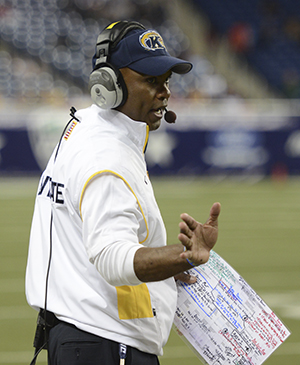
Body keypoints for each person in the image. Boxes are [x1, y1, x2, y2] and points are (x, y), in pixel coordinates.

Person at [25, 20, 221, 365]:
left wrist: (162, 263)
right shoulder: (107, 155)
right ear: (108, 84)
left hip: (81, 335)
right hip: (106, 341)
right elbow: (113, 259)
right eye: (150, 80)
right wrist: (184, 255)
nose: (165, 92)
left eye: (166, 80)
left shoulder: (84, 127)